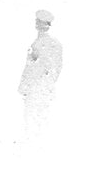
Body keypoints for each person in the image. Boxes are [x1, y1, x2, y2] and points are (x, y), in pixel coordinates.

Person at [17, 10, 62, 138]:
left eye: (39, 22)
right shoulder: (38, 42)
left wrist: (30, 85)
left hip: (38, 87)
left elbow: (43, 67)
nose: (36, 24)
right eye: (37, 21)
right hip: (39, 87)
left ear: (45, 25)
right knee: (35, 118)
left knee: (36, 118)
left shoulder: (48, 43)